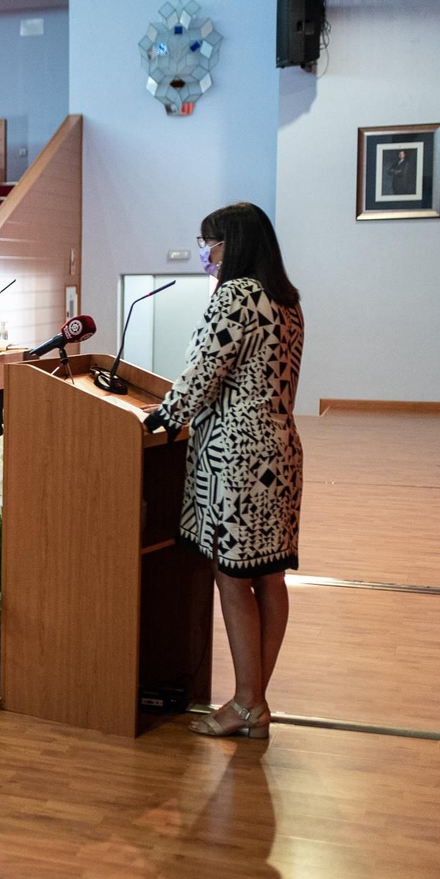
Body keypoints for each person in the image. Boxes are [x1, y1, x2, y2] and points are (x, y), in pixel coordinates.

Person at [143, 202, 305, 741]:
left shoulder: (235, 296)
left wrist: (162, 417)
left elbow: (203, 373)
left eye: (208, 244)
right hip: (280, 451)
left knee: (232, 579)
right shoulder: (287, 300)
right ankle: (255, 703)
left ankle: (246, 703)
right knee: (269, 575)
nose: (204, 256)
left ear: (231, 244)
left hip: (236, 457)